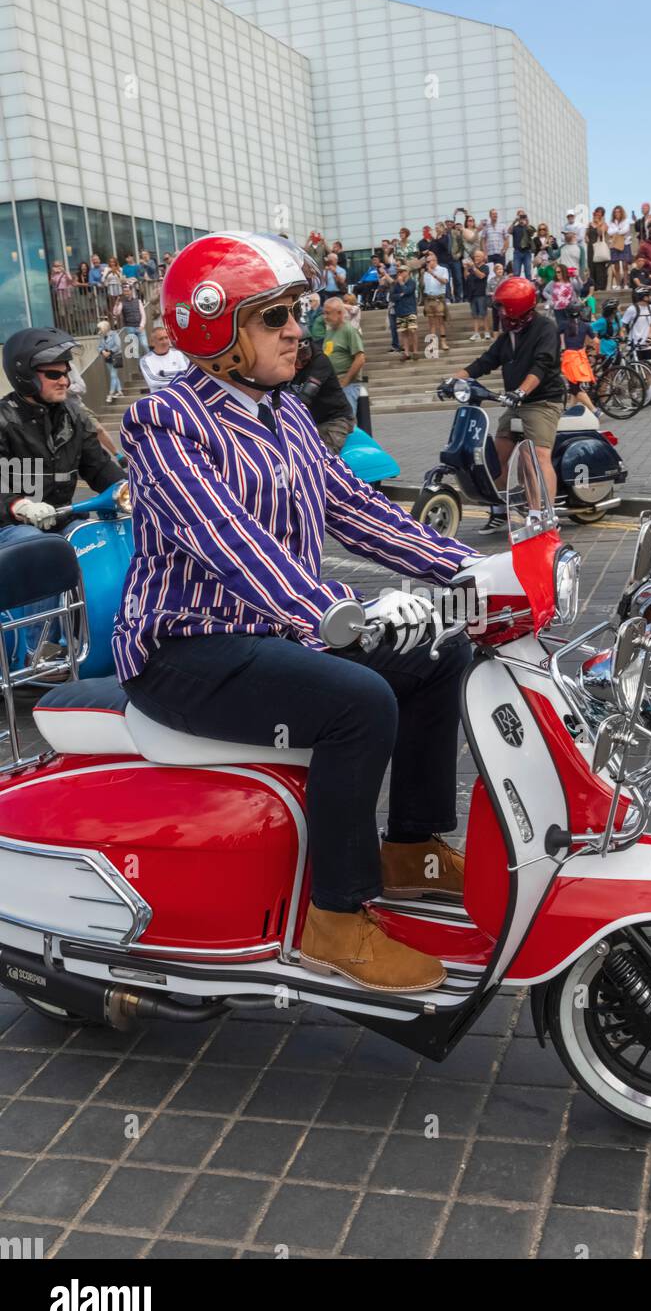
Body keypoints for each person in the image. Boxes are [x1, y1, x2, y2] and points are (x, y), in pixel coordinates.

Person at [112, 231, 480, 993]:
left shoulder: (284, 413)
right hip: (186, 651)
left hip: (279, 633)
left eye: (298, 313)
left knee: (443, 650)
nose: (296, 331)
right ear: (217, 328)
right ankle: (336, 918)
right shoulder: (165, 420)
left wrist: (473, 569)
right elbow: (225, 537)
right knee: (358, 701)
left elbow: (353, 509)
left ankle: (411, 847)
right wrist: (337, 610)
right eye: (274, 316)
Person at [0, 328, 125, 663]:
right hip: (10, 524)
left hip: (61, 516)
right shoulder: (2, 420)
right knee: (41, 547)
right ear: (24, 375)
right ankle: (33, 650)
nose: (65, 380)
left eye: (67, 371)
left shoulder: (72, 416)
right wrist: (20, 505)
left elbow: (99, 467)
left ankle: (97, 633)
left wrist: (129, 487)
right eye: (54, 373)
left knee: (100, 534)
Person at [445, 275, 564, 530]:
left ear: (515, 309)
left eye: (501, 306)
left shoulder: (545, 329)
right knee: (495, 457)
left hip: (543, 402)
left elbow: (541, 366)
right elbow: (484, 362)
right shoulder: (509, 335)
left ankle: (544, 516)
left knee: (537, 455)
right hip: (516, 403)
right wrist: (452, 380)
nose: (497, 311)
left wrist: (520, 392)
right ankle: (499, 508)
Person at [290, 327, 355, 453]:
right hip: (313, 422)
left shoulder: (320, 361)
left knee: (324, 456)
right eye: (294, 359)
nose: (298, 365)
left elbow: (306, 395)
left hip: (336, 420)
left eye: (302, 358)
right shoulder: (286, 364)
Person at [322, 295, 366, 415]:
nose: (325, 317)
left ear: (340, 313)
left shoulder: (349, 330)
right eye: (324, 313)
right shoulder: (330, 331)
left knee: (347, 423)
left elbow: (360, 358)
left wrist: (345, 381)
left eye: (328, 313)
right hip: (334, 386)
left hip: (347, 386)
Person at [139, 325, 189, 392]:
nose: (165, 341)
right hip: (159, 399)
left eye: (166, 338)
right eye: (161, 339)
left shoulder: (179, 354)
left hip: (180, 395)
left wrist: (163, 373)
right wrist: (179, 376)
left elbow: (188, 374)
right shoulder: (145, 360)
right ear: (152, 342)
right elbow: (153, 382)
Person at [422, 250, 450, 353]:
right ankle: (433, 344)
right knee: (431, 323)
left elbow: (445, 282)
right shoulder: (425, 273)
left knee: (440, 322)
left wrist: (433, 273)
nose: (428, 264)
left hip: (439, 298)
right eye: (427, 262)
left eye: (429, 261)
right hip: (429, 298)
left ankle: (443, 342)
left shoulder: (443, 269)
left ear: (435, 260)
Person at [390, 266, 419, 361]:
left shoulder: (412, 282)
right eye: (399, 271)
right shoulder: (396, 284)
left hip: (410, 310)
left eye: (402, 271)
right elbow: (392, 296)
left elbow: (408, 291)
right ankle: (406, 353)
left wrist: (402, 284)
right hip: (400, 311)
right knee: (404, 332)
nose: (400, 273)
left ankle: (415, 351)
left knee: (412, 330)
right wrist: (401, 295)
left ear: (407, 272)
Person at [113, 282, 149, 359]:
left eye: (127, 291)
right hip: (130, 328)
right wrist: (116, 304)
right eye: (124, 291)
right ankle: (140, 367)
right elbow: (116, 313)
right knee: (135, 351)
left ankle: (149, 362)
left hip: (140, 327)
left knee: (145, 345)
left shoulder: (138, 301)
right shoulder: (121, 303)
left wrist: (142, 325)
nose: (126, 293)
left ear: (131, 291)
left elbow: (143, 314)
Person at [622, 288, 651, 360]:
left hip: (647, 345)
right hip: (634, 345)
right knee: (635, 368)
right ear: (644, 297)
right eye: (648, 295)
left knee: (648, 367)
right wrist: (623, 338)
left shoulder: (650, 308)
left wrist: (650, 337)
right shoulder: (632, 309)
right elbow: (623, 325)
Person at [464, 250, 491, 341]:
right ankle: (476, 333)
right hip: (472, 294)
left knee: (484, 314)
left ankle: (486, 332)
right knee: (475, 315)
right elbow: (466, 276)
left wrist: (473, 267)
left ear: (483, 258)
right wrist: (466, 268)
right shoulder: (472, 267)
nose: (476, 258)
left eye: (478, 256)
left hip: (481, 294)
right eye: (475, 256)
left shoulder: (485, 267)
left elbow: (481, 276)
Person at [97, 318, 124, 402]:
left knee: (113, 375)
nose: (99, 330)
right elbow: (99, 347)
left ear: (105, 328)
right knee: (114, 375)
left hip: (115, 357)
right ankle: (119, 391)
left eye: (100, 328)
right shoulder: (101, 336)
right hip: (108, 359)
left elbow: (118, 345)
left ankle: (110, 394)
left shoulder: (114, 334)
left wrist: (109, 351)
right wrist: (102, 351)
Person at [608, 206, 632, 289]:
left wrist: (616, 231)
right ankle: (618, 285)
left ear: (622, 212)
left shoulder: (626, 220)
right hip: (614, 245)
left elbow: (625, 230)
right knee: (616, 266)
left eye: (618, 212)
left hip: (625, 244)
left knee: (625, 265)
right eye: (615, 212)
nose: (617, 213)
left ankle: (625, 284)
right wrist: (618, 230)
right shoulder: (611, 222)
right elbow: (609, 232)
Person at [509, 209, 536, 280]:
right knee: (516, 273)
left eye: (523, 216)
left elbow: (532, 233)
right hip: (517, 252)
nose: (521, 218)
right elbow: (509, 231)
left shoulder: (527, 227)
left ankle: (529, 289)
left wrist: (526, 223)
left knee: (528, 273)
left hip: (527, 252)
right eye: (520, 216)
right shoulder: (515, 227)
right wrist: (514, 221)